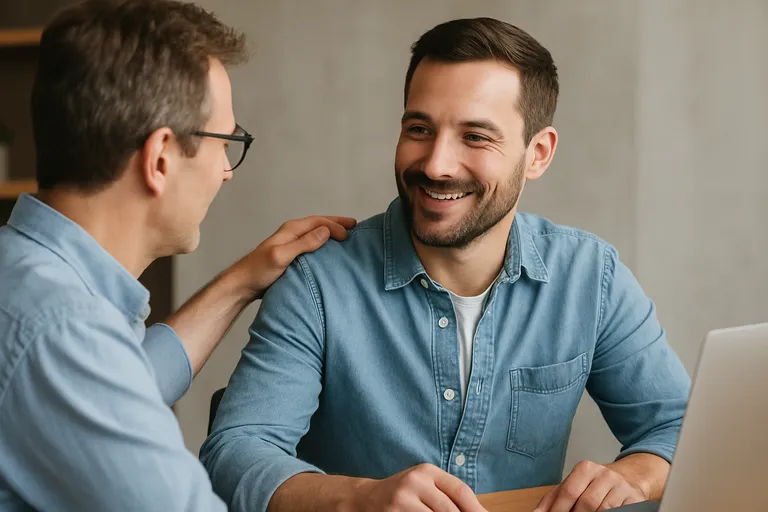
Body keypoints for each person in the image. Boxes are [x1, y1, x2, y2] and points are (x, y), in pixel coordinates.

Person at [201, 17, 691, 512]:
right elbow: (236, 453)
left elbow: (679, 426)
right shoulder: (318, 279)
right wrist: (363, 498)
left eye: (475, 137)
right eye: (419, 129)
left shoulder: (591, 277)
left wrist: (634, 475)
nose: (436, 164)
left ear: (537, 154)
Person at [0, 1, 355, 510]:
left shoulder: (23, 276)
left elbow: (127, 381)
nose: (226, 171)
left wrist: (243, 281)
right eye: (224, 142)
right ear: (160, 158)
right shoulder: (63, 329)